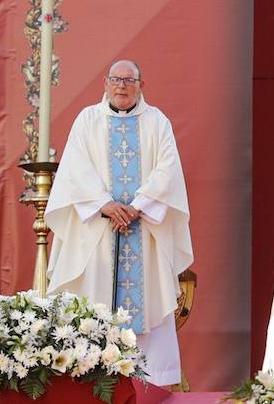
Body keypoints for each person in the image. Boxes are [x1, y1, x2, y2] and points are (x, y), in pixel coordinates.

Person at [46, 60, 192, 388]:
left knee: (150, 302)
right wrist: (107, 204)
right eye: (116, 79)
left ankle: (150, 386)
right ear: (106, 83)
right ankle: (91, 379)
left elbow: (168, 169)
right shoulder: (87, 120)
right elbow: (75, 169)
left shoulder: (157, 122)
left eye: (129, 79)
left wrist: (137, 206)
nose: (122, 86)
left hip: (144, 232)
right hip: (99, 232)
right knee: (93, 303)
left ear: (141, 84)